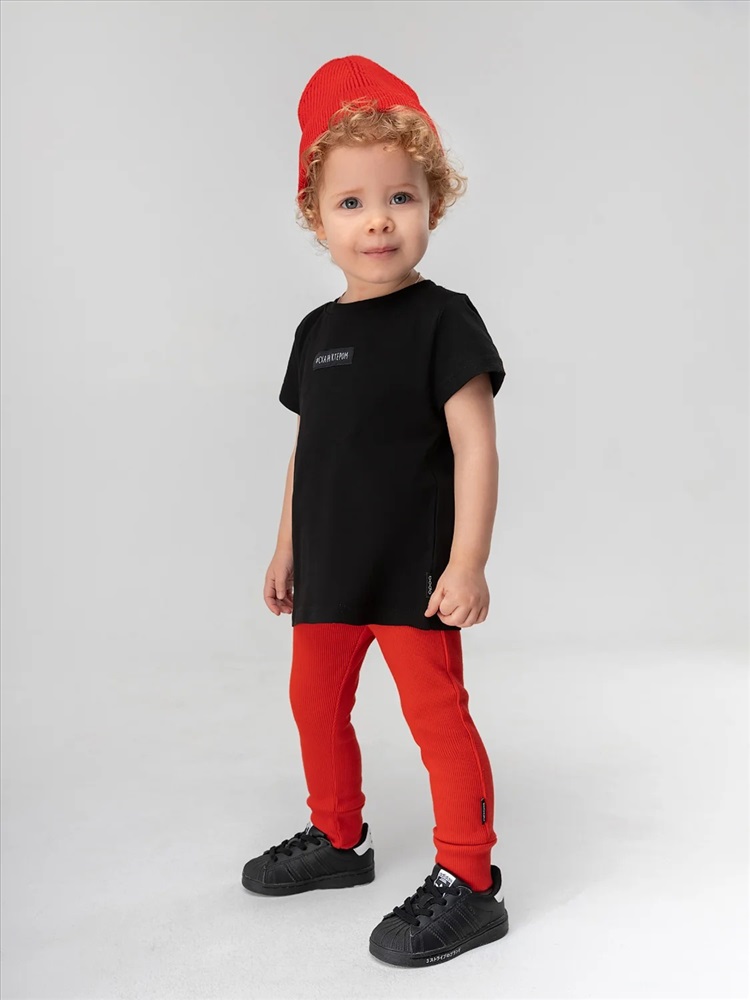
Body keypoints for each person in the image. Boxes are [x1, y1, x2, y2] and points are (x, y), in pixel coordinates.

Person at [241, 54, 510, 969]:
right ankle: (338, 838)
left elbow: (476, 446)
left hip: (411, 574)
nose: (379, 220)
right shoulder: (316, 333)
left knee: (438, 719)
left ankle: (470, 879)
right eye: (352, 202)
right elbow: (308, 451)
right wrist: (285, 548)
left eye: (401, 197)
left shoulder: (444, 320)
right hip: (328, 570)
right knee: (314, 705)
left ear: (434, 203)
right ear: (317, 218)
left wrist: (468, 561)